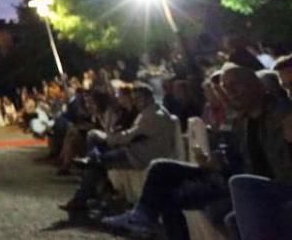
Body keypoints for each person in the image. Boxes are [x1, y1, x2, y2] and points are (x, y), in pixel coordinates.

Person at [103, 64, 292, 240]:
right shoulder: (241, 121)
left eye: (236, 85)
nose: (231, 93)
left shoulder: (281, 113)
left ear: (256, 85)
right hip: (235, 177)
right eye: (226, 88)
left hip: (265, 185)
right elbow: (236, 155)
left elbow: (261, 166)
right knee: (163, 176)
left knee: (233, 202)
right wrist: (217, 159)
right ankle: (143, 216)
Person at [61, 84, 178, 211]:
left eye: (138, 98)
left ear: (148, 97)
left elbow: (130, 135)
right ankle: (92, 190)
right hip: (138, 151)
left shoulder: (153, 115)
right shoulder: (152, 112)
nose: (136, 102)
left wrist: (111, 138)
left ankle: (86, 195)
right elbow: (132, 134)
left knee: (96, 162)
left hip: (138, 156)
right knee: (96, 153)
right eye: (134, 99)